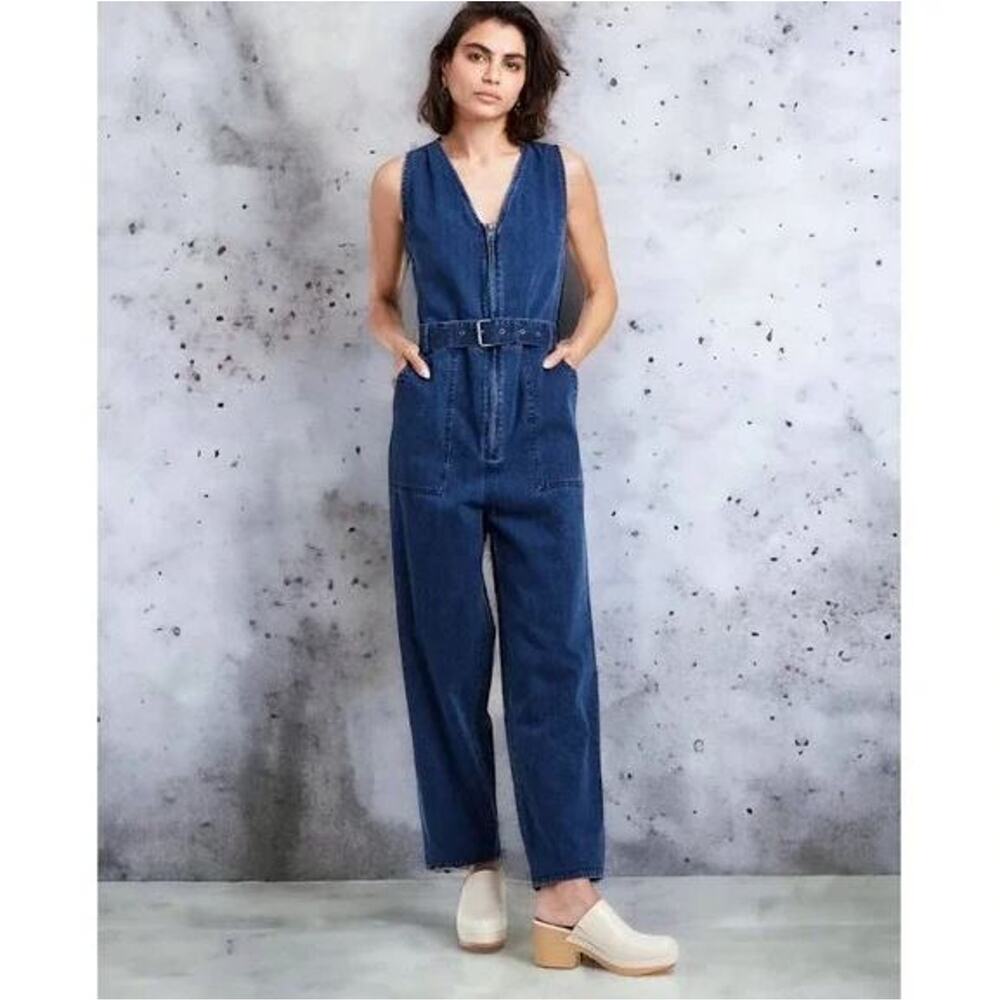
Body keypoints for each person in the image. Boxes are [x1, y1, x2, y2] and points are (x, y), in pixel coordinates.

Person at [367, 2, 679, 976]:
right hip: (437, 423)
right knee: (447, 650)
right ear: (447, 67)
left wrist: (569, 357)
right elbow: (379, 295)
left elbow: (603, 289)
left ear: (527, 80)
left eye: (511, 61)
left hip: (538, 423)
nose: (493, 74)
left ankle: (567, 894)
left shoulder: (561, 172)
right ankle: (475, 862)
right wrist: (397, 343)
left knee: (554, 654)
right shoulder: (400, 180)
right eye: (477, 55)